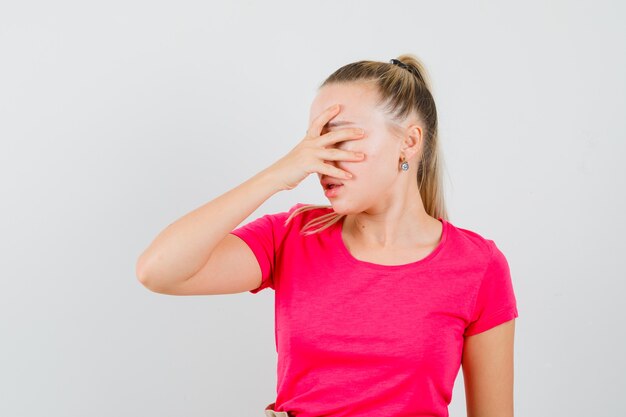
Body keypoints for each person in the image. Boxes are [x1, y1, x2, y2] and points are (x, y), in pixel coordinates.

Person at [136, 54, 519, 417]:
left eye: (341, 140)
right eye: (315, 142)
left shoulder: (478, 266)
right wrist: (277, 174)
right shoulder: (290, 237)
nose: (320, 161)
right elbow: (159, 271)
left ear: (409, 141)